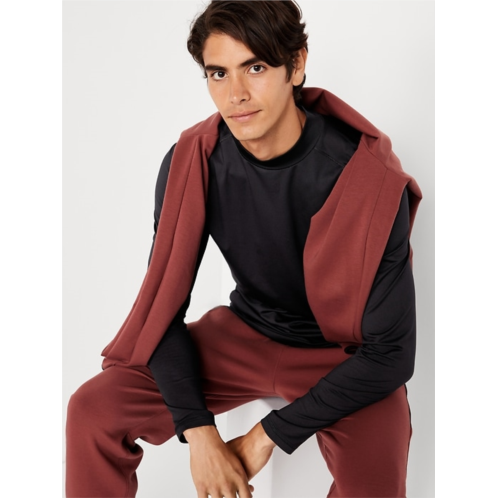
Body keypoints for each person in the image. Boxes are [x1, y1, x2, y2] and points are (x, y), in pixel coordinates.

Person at [65, 0, 423, 497]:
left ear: (295, 65)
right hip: (243, 335)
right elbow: (162, 307)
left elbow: (393, 355)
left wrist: (266, 436)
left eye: (254, 68)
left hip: (341, 355)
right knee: (92, 409)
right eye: (218, 73)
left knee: (375, 481)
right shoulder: (194, 160)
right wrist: (199, 431)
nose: (235, 94)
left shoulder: (368, 179)